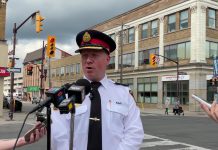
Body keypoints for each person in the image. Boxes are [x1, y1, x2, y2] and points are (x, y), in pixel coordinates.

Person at [51, 29, 144, 150]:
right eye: (84, 55)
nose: (88, 60)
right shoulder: (67, 94)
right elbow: (58, 135)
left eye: (94, 55)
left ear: (107, 59)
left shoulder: (123, 94)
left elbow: (134, 132)